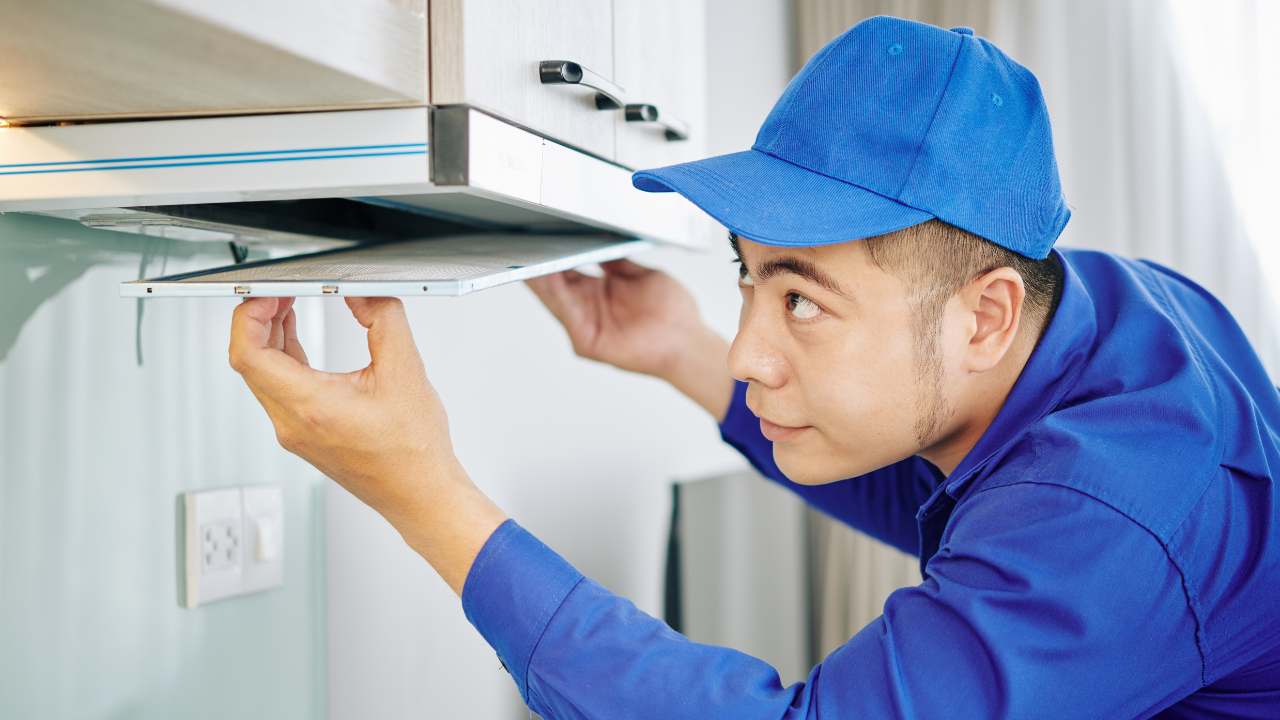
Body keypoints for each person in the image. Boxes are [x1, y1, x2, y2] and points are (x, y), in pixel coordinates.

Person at [227, 16, 1280, 720]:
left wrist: (426, 498)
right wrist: (679, 352)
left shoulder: (1112, 517)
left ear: (981, 316)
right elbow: (968, 502)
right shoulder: (1093, 311)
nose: (748, 353)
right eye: (748, 279)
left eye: (802, 302)